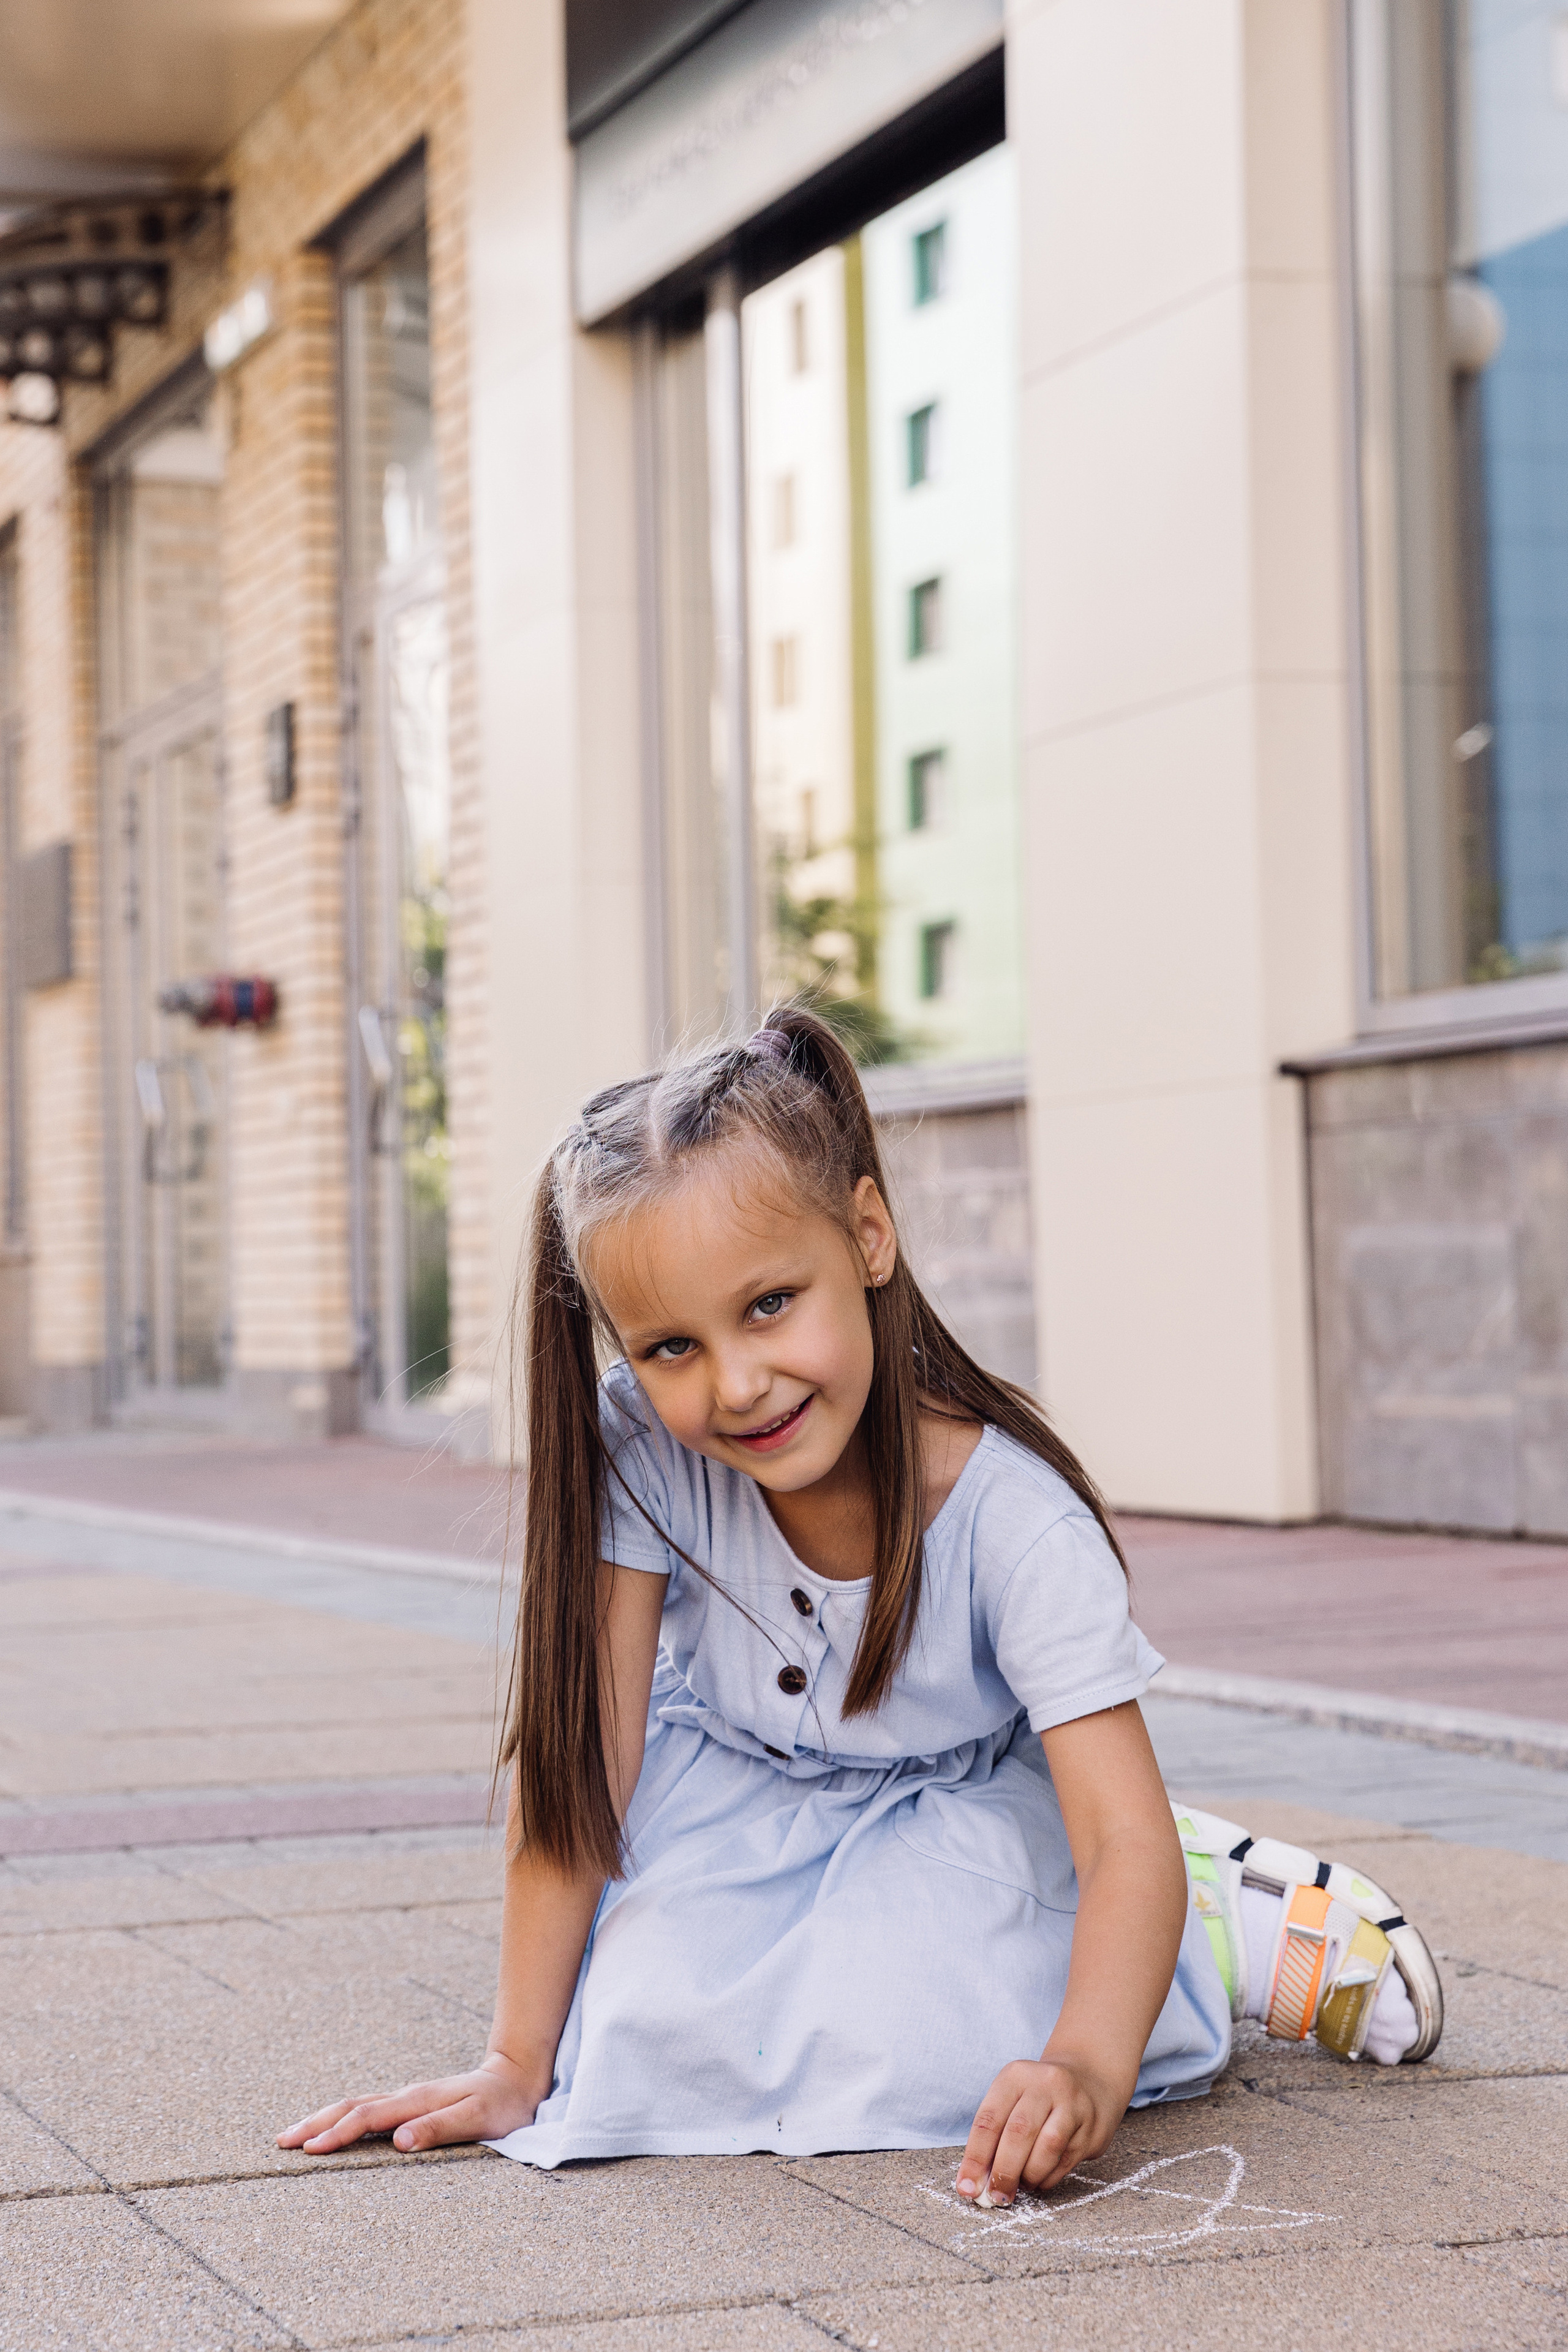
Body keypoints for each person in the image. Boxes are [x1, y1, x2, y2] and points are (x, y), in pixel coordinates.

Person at [279, 1007, 1442, 2204]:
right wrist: (515, 2060)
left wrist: (1083, 2068)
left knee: (924, 2023)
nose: (736, 1384)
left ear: (868, 1236)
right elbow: (588, 1765)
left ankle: (1207, 1908)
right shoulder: (635, 1443)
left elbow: (1115, 1841)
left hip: (956, 1810)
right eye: (670, 1346)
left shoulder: (1012, 1518)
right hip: (732, 1797)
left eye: (771, 1304)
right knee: (644, 2029)